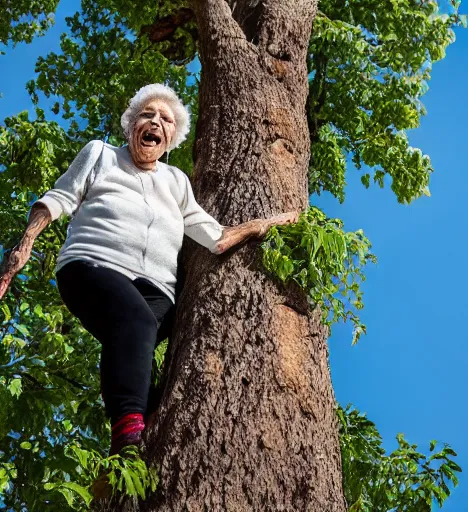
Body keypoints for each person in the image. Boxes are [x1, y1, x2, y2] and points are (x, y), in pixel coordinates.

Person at [0, 84, 297, 454]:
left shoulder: (176, 182)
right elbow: (59, 198)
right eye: (147, 114)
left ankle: (152, 428)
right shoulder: (101, 154)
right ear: (131, 125)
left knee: (141, 341)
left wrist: (265, 224)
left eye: (166, 119)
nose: (156, 122)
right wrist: (22, 247)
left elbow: (216, 237)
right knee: (136, 323)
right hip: (93, 264)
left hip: (159, 291)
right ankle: (126, 440)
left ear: (171, 138)